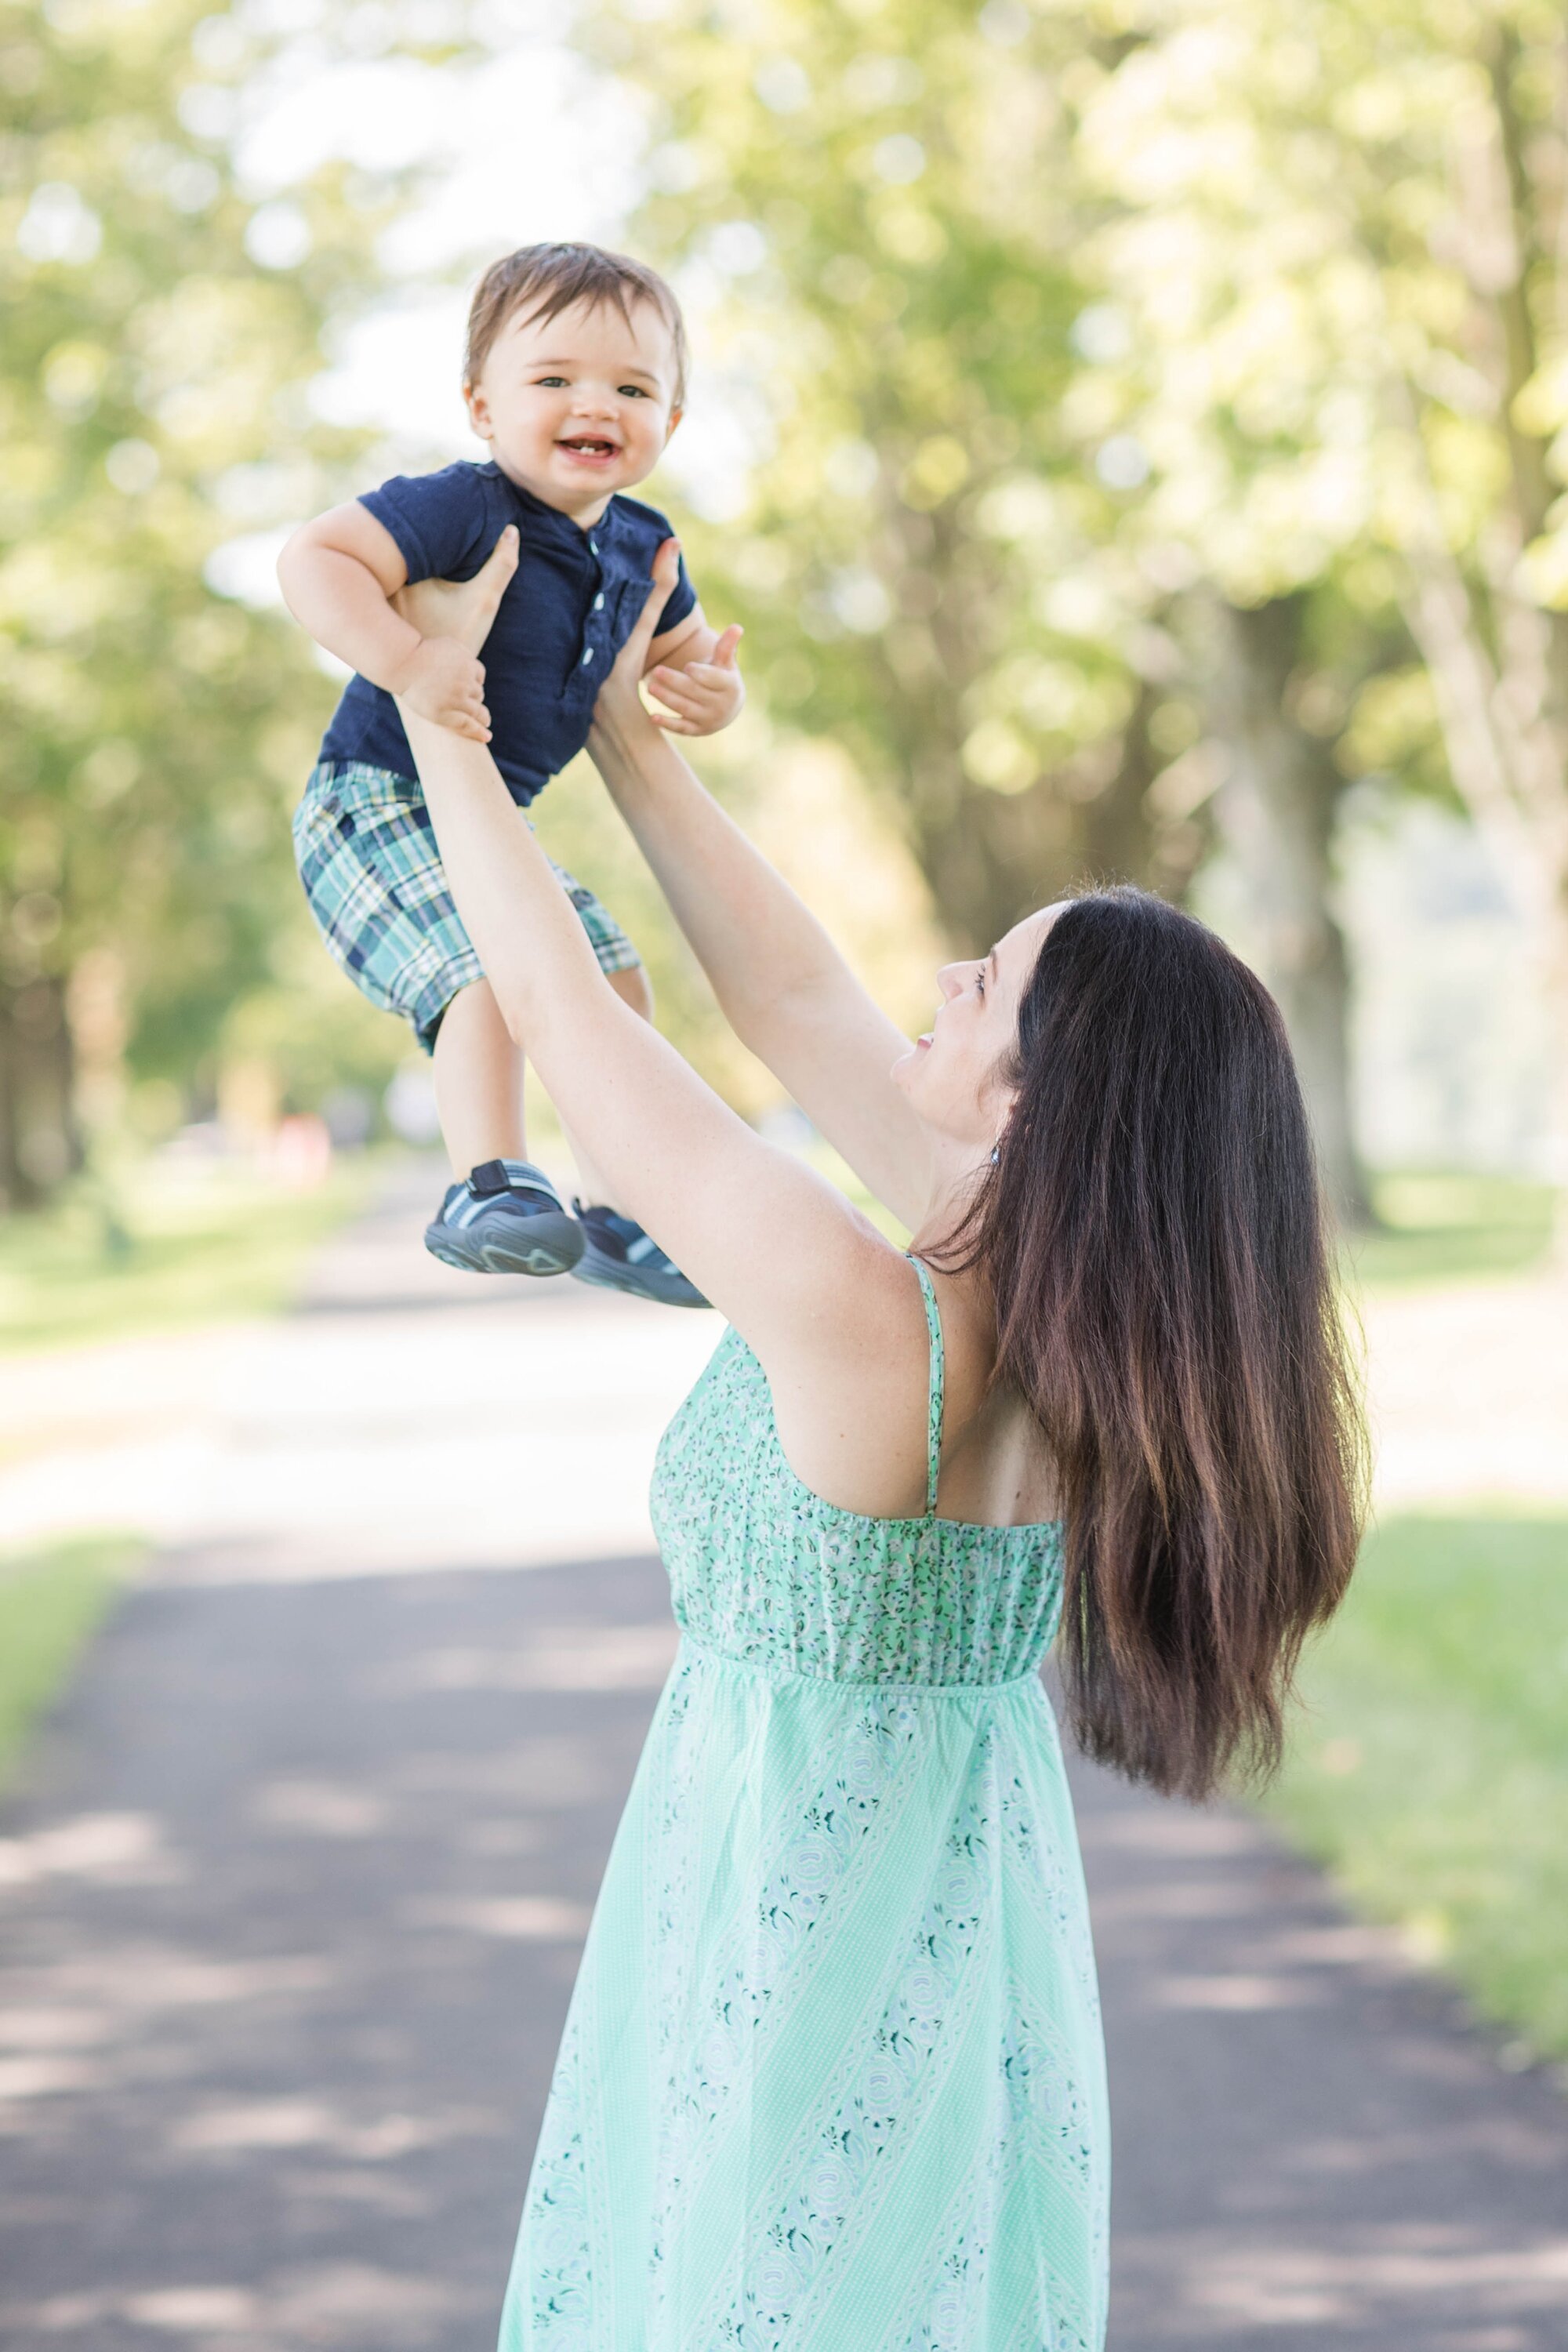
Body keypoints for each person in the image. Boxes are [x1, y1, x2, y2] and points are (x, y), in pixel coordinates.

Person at [388, 535, 1367, 2350]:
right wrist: (628, 742)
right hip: (938, 1927)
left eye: (985, 987)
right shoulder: (1057, 1309)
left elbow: (577, 1026)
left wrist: (439, 716)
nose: (934, 978)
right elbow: (793, 999)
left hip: (792, 1945)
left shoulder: (868, 1313)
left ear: (1034, 1100)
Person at [276, 241, 743, 1303]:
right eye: (555, 380)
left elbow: (683, 656)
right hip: (373, 803)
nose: (596, 404)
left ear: (668, 425)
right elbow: (315, 560)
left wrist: (716, 694)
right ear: (483, 406)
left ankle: (619, 1210)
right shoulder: (464, 507)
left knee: (613, 974)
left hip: (487, 821)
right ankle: (485, 1181)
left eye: (632, 387)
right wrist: (410, 662)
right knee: (490, 970)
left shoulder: (642, 547)